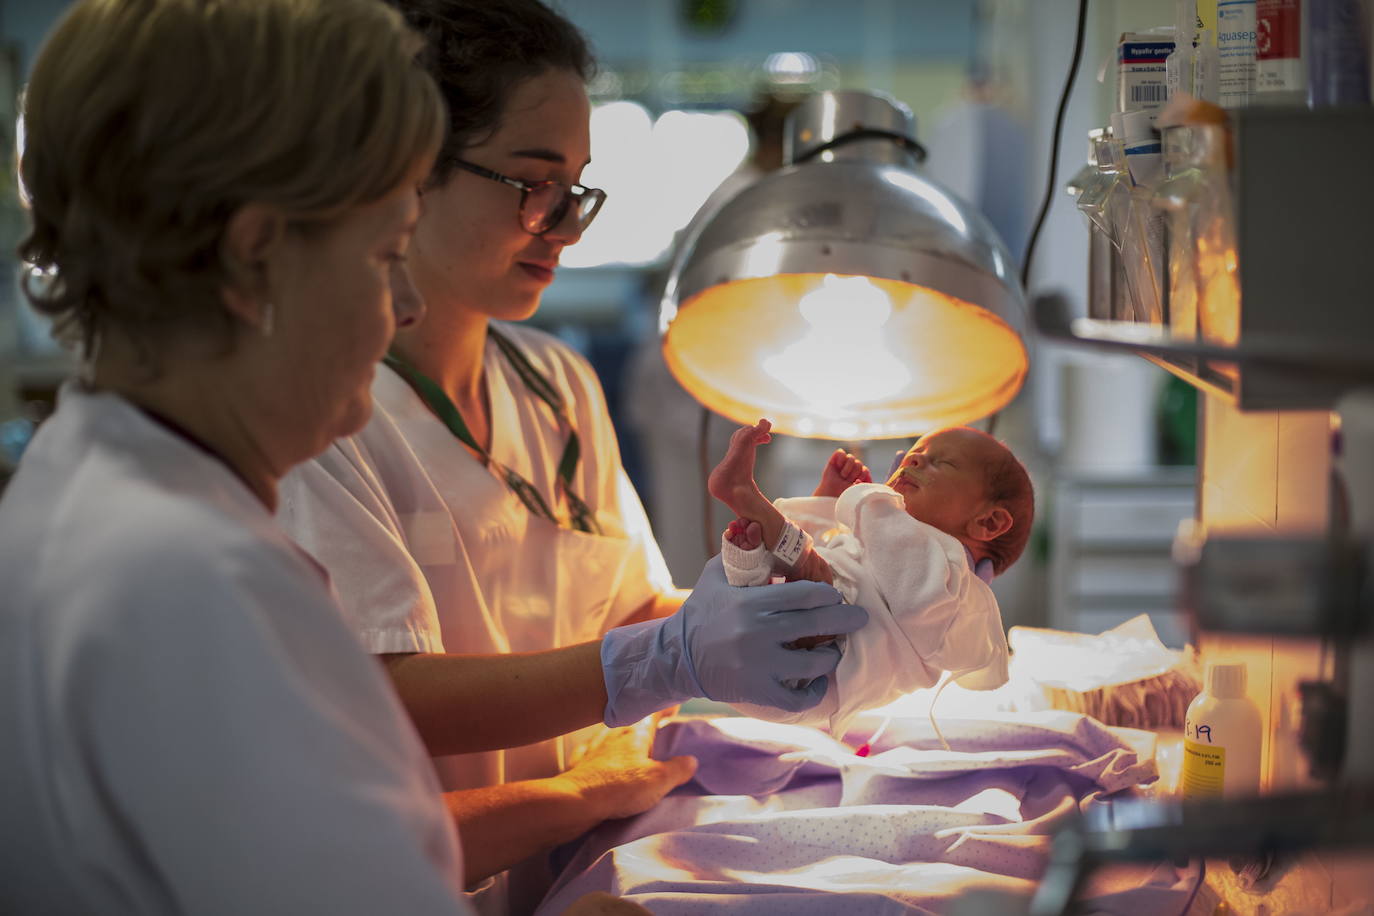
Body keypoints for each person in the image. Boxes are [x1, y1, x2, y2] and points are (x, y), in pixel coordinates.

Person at [0, 1, 865, 913]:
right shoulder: (189, 581)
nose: (405, 308)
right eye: (383, 254)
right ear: (257, 257)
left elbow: (339, 852)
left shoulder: (112, 506)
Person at [271, 2, 866, 910]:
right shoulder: (321, 421)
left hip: (569, 868)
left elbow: (633, 609)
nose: (566, 226)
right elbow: (382, 692)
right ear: (404, 172)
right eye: (533, 184)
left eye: (577, 189)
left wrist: (795, 594)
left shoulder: (555, 383)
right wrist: (666, 661)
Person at [708, 418, 1035, 734]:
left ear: (988, 522)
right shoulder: (889, 543)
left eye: (942, 463)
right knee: (788, 568)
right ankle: (746, 564)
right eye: (912, 455)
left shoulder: (956, 588)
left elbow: (910, 601)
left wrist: (873, 504)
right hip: (746, 654)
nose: (913, 461)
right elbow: (825, 553)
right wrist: (828, 500)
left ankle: (747, 500)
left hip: (807, 676)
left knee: (817, 584)